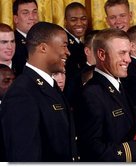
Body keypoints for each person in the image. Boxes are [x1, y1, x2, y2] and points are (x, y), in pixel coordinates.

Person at [76, 28, 136, 162]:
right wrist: (135, 150)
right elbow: (90, 149)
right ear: (101, 55)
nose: (128, 59)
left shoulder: (119, 85)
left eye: (129, 53)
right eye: (122, 53)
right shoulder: (91, 94)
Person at [0, 22, 78, 162]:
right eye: (64, 45)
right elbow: (24, 157)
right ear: (43, 48)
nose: (68, 52)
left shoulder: (50, 86)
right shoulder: (22, 93)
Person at [63, 2, 89, 113]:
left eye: (83, 19)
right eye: (73, 20)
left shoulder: (80, 44)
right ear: (65, 22)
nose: (79, 23)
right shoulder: (66, 45)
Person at [12, 0, 39, 76]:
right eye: (25, 13)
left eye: (34, 12)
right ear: (16, 19)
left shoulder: (44, 40)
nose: (32, 17)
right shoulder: (12, 43)